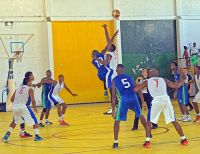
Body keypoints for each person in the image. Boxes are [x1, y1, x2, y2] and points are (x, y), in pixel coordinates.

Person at [134, 68, 188, 148]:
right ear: (158, 74)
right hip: (166, 100)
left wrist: (131, 85)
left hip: (156, 101)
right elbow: (176, 85)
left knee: (149, 122)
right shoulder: (164, 80)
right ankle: (184, 139)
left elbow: (136, 89)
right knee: (173, 120)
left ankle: (148, 141)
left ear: (149, 74)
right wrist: (182, 80)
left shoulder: (147, 81)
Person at [111, 64, 147, 149]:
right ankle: (148, 136)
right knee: (140, 115)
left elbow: (113, 96)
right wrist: (142, 101)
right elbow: (138, 89)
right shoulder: (130, 77)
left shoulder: (114, 80)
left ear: (116, 70)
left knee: (117, 120)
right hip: (134, 97)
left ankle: (115, 142)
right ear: (123, 70)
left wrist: (113, 109)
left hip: (124, 99)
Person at [2, 73, 43, 142]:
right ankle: (37, 136)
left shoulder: (17, 89)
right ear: (28, 82)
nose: (31, 82)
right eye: (30, 81)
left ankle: (7, 135)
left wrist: (17, 104)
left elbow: (11, 99)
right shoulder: (30, 89)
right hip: (23, 106)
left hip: (14, 106)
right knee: (35, 120)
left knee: (14, 121)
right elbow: (33, 100)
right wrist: (35, 108)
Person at [93, 24, 119, 115]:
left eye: (109, 45)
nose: (107, 44)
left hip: (111, 73)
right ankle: (115, 106)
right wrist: (106, 29)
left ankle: (112, 109)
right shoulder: (113, 51)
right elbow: (109, 40)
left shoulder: (108, 54)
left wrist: (97, 59)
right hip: (115, 73)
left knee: (112, 92)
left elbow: (105, 63)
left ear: (110, 47)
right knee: (113, 92)